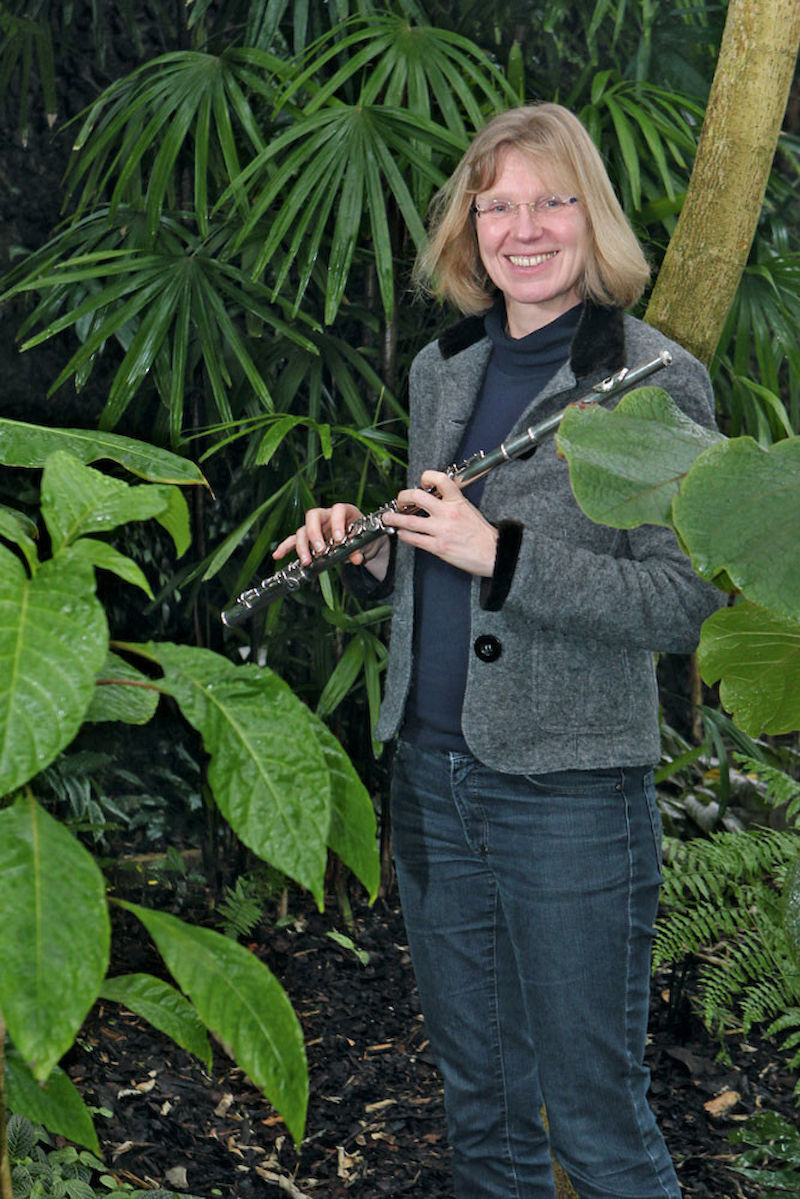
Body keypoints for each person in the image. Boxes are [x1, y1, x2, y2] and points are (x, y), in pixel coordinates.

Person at [274, 103, 722, 1199]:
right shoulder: (447, 365)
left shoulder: (649, 378)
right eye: (498, 206)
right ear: (469, 228)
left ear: (590, 216)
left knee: (594, 1121)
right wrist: (380, 555)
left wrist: (498, 554)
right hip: (432, 778)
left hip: (567, 792)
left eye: (550, 201)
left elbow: (684, 599)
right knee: (480, 1111)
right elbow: (455, 570)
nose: (523, 229)